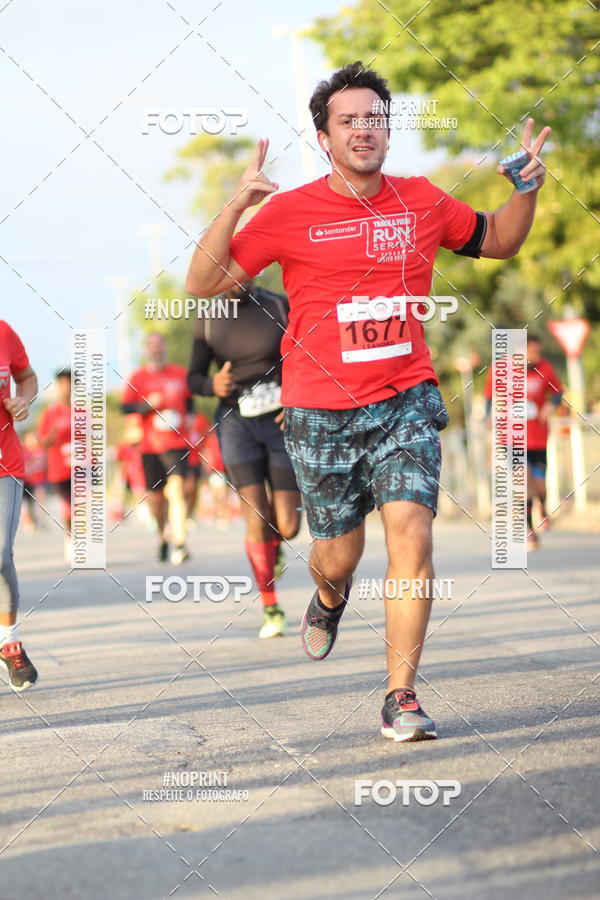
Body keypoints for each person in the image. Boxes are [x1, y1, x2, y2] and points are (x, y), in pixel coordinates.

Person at [185, 61, 551, 741]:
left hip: (405, 397)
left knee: (411, 531)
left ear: (388, 130)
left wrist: (525, 189)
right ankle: (328, 596)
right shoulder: (289, 212)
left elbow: (498, 239)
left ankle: (400, 694)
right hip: (318, 409)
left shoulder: (421, 200)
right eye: (348, 120)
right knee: (337, 554)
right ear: (324, 137)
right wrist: (237, 205)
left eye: (374, 118)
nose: (364, 129)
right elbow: (204, 285)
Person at [188, 282, 301, 638]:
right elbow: (193, 377)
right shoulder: (209, 317)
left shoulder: (279, 305)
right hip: (236, 424)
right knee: (255, 515)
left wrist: (296, 398)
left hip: (280, 421)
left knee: (289, 525)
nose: (239, 279)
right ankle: (271, 608)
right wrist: (212, 386)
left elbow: (305, 356)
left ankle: (274, 547)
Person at [485, 333, 563, 549]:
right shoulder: (501, 369)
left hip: (537, 438)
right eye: (532, 351)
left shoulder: (545, 368)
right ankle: (529, 530)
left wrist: (550, 406)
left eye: (538, 351)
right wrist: (489, 416)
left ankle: (542, 507)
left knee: (540, 487)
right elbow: (489, 396)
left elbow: (558, 392)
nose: (536, 356)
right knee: (522, 481)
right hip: (511, 437)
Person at [121, 332, 192, 564]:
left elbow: (189, 398)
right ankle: (163, 537)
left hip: (177, 442)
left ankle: (180, 543)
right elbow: (125, 408)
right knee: (158, 499)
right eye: (152, 346)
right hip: (151, 446)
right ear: (146, 350)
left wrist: (190, 415)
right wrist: (146, 406)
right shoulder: (138, 377)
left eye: (160, 345)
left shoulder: (179, 373)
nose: (156, 350)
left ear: (165, 348)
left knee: (177, 490)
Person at [0, 320, 39, 691]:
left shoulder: (4, 332)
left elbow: (26, 377)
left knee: (0, 554)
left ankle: (9, 641)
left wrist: (22, 400)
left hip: (4, 464)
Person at [37, 368, 72, 561]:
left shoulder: (83, 411)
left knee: (83, 506)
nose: (67, 387)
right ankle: (70, 537)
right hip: (60, 469)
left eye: (70, 383)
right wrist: (52, 435)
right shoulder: (50, 413)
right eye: (63, 384)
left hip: (82, 466)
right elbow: (41, 440)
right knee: (69, 507)